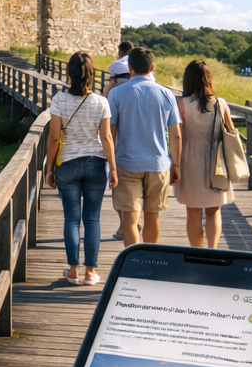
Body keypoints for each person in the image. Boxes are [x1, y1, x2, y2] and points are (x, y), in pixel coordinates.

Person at [43, 52, 117, 284]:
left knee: (72, 219)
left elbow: (54, 136)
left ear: (69, 73)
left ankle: (73, 270)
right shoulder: (101, 102)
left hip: (67, 164)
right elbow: (105, 137)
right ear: (91, 74)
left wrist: (49, 168)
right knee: (93, 219)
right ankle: (91, 272)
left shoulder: (59, 100)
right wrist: (113, 168)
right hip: (96, 163)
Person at [108, 47, 180, 245]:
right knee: (152, 216)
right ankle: (149, 259)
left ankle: (133, 261)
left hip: (125, 163)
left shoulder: (116, 93)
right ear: (153, 67)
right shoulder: (167, 94)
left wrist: (110, 166)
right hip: (158, 163)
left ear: (129, 67)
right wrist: (176, 165)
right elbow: (176, 134)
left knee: (130, 220)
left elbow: (110, 133)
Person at [176, 59, 236, 249]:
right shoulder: (221, 104)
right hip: (216, 161)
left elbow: (177, 136)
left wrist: (174, 165)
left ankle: (197, 251)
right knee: (213, 212)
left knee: (192, 213)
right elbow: (231, 132)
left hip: (189, 160)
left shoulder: (181, 104)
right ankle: (212, 250)